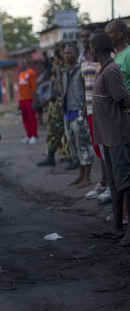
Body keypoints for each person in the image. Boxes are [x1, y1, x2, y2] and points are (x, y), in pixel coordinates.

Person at [89, 32, 130, 245]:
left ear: (96, 48)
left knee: (126, 183)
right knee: (115, 183)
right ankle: (116, 227)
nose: (89, 50)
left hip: (118, 136)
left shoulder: (111, 71)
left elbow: (125, 99)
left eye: (90, 46)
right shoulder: (103, 70)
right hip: (108, 137)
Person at [80, 25, 109, 199]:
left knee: (106, 149)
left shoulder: (105, 59)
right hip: (90, 108)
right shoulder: (83, 58)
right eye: (83, 37)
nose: (85, 41)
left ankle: (109, 185)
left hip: (102, 109)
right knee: (98, 149)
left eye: (89, 39)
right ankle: (105, 183)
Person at [62, 43, 95, 188]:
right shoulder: (65, 72)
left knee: (84, 146)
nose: (67, 55)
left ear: (76, 54)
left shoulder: (81, 69)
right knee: (74, 146)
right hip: (68, 114)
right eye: (65, 53)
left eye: (70, 53)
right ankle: (81, 175)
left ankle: (87, 177)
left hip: (79, 113)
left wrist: (83, 112)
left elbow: (88, 92)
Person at [37, 48, 67, 168]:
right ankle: (52, 156)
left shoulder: (63, 68)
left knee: (57, 130)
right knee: (57, 130)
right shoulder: (58, 67)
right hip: (57, 102)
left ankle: (53, 156)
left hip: (61, 102)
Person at [18, 59, 38, 145]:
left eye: (23, 62)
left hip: (30, 99)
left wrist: (34, 101)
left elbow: (34, 88)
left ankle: (34, 135)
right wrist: (19, 101)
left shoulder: (31, 72)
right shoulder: (20, 75)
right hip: (22, 100)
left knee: (32, 118)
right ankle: (28, 135)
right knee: (25, 118)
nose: (22, 64)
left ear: (26, 63)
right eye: (20, 63)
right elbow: (20, 89)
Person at [106, 19, 130, 90]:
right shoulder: (112, 54)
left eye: (109, 34)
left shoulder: (128, 53)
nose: (106, 37)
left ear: (119, 35)